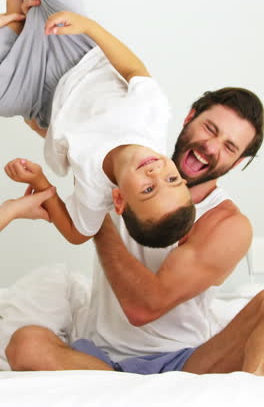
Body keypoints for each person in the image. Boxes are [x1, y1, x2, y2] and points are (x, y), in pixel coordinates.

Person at [5, 86, 264, 376]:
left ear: (238, 161)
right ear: (190, 117)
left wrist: (96, 217)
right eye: (210, 129)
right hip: (94, 354)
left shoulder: (227, 224)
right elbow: (77, 139)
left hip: (180, 363)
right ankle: (123, 386)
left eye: (230, 147)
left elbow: (144, 307)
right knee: (25, 344)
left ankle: (242, 396)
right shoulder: (135, 164)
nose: (211, 147)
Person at [2, 0, 195, 248]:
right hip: (79, 52)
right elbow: (133, 68)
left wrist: (40, 181)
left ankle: (16, 17)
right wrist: (90, 28)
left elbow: (78, 234)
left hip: (41, 96)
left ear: (118, 200)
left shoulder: (97, 191)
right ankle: (33, 8)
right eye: (172, 180)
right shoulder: (151, 120)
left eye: (147, 190)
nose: (156, 172)